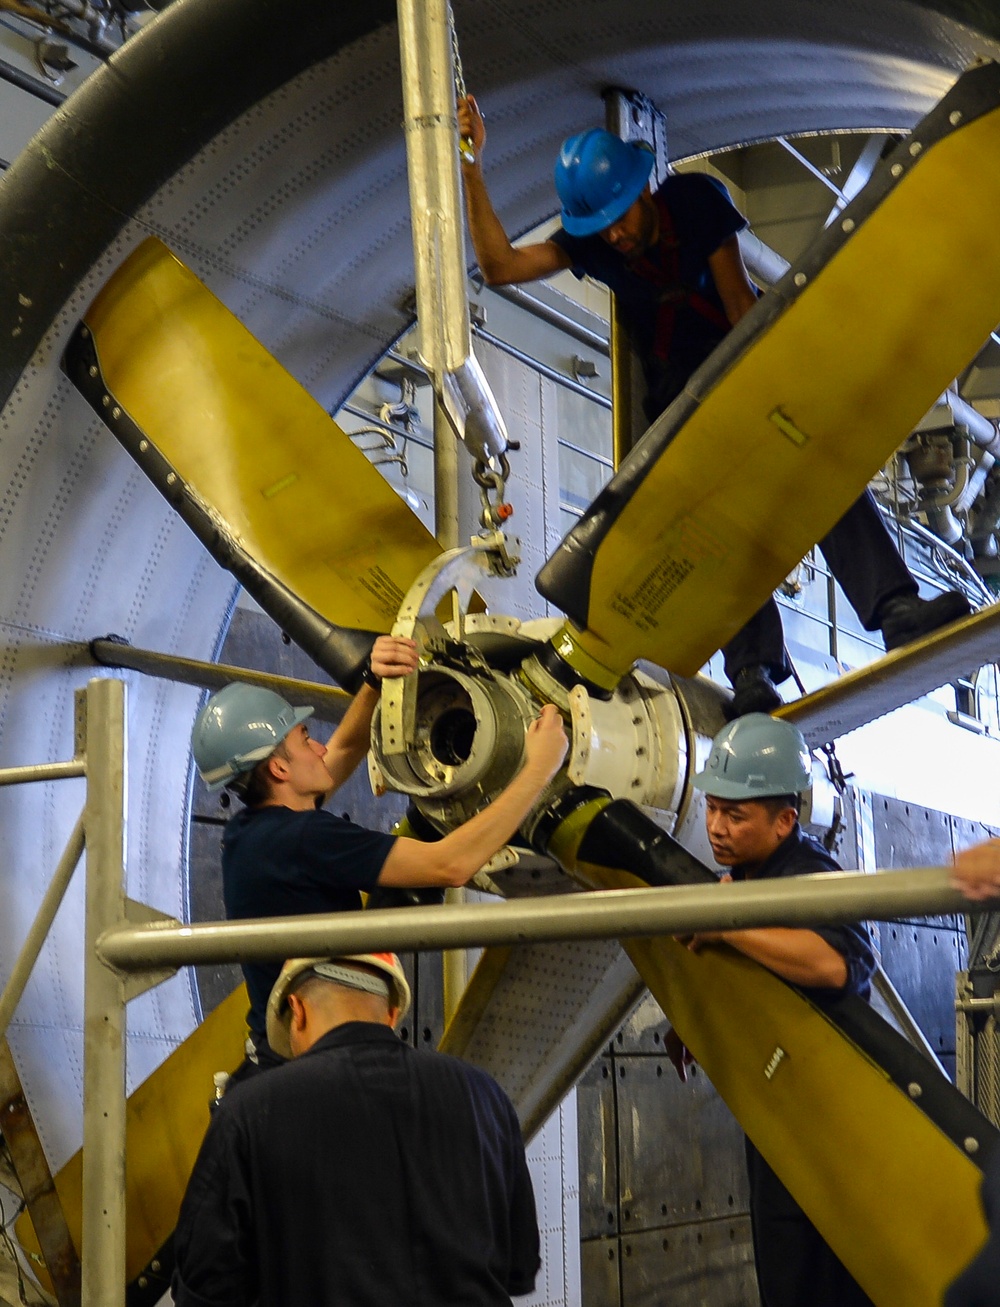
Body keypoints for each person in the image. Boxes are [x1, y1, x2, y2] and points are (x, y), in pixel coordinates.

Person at [457, 97, 970, 717]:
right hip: (678, 403)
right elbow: (500, 265)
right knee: (713, 530)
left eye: (620, 218)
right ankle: (752, 670)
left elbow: (739, 309)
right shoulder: (595, 245)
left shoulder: (694, 204)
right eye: (602, 228)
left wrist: (776, 401)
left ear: (641, 191)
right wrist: (472, 165)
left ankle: (894, 610)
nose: (615, 235)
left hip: (739, 368)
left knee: (818, 475)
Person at [191, 635, 568, 1069]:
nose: (319, 747)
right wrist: (540, 767)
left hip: (275, 1060)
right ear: (278, 769)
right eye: (305, 738)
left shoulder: (251, 832)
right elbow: (451, 865)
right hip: (315, 1068)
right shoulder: (305, 838)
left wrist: (375, 680)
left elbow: (345, 749)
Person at [172, 951, 540, 1306]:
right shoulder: (486, 1097)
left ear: (297, 1011)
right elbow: (518, 1268)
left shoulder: (248, 1111)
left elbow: (205, 1287)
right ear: (393, 1014)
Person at [664, 713, 876, 1307]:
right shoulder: (745, 878)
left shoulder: (807, 875)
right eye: (711, 809)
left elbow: (836, 964)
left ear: (785, 820)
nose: (716, 827)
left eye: (735, 815)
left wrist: (727, 926)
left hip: (831, 1131)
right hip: (782, 1117)